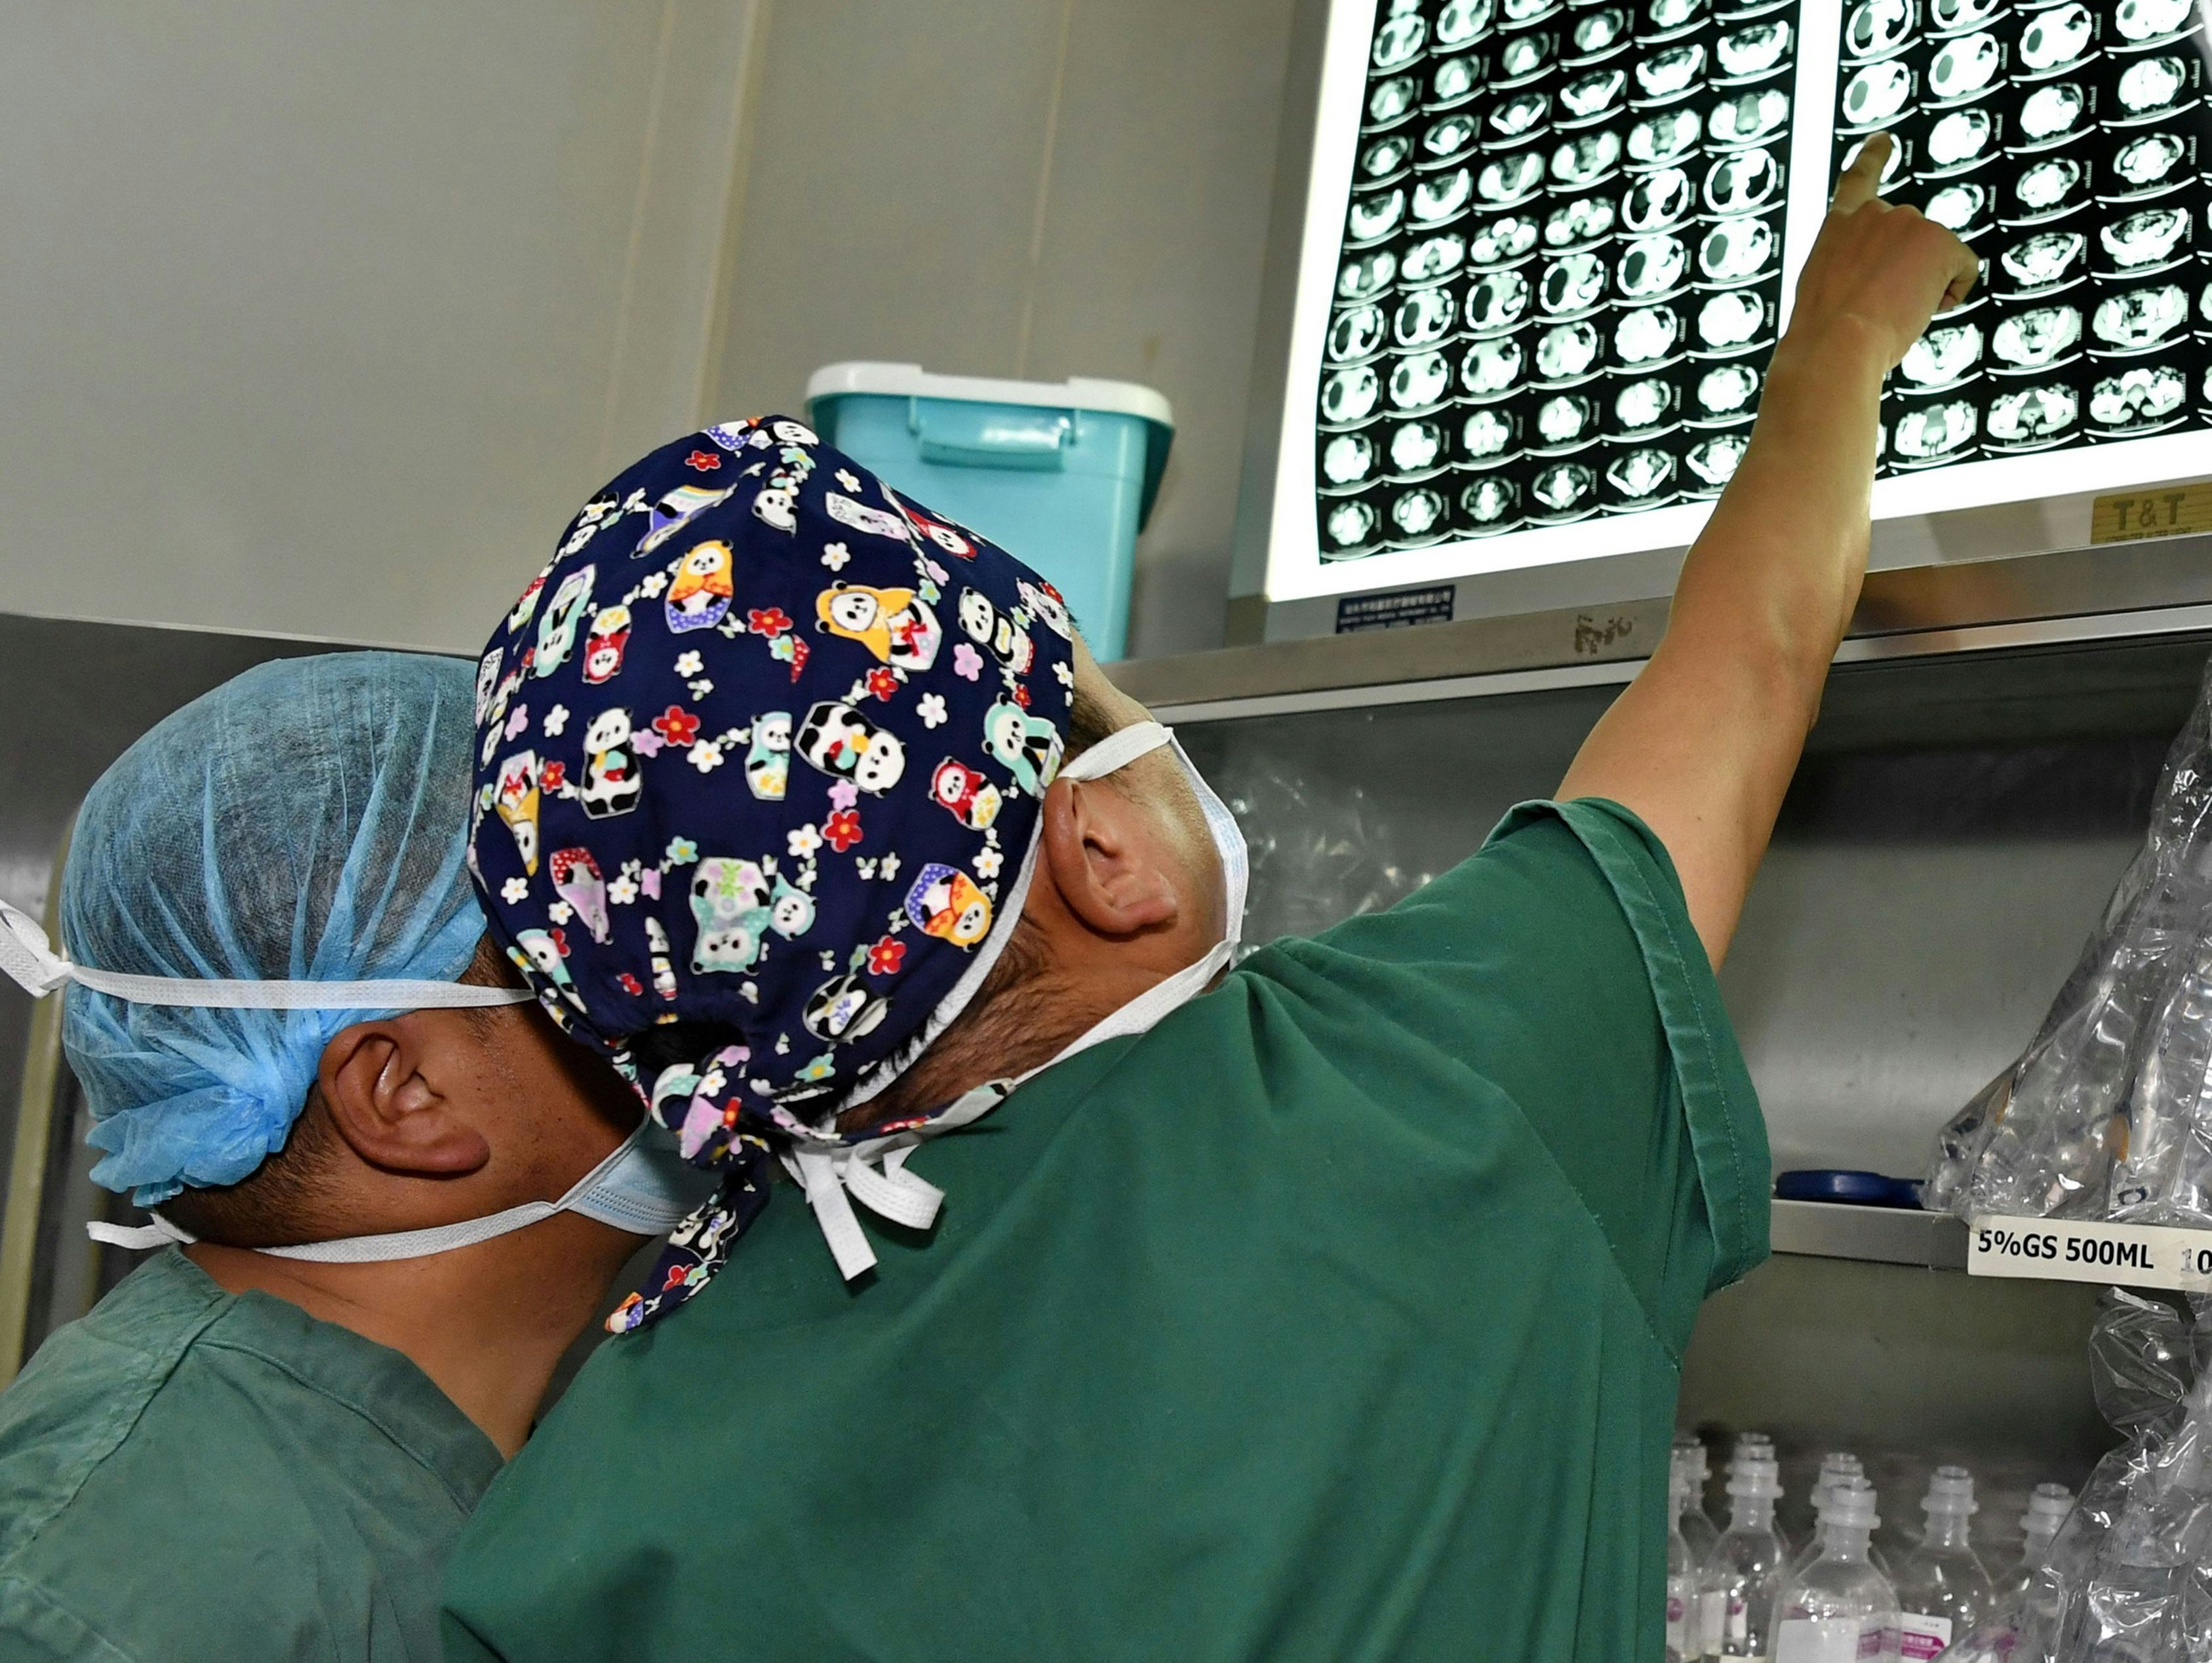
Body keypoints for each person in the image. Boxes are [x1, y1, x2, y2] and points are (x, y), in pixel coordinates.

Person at [442, 136, 1975, 1660]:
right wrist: (1844, 337)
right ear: (1105, 852)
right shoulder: (1430, 1097)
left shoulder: (590, 1495)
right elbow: (1753, 660)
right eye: (1104, 700)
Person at [0, 652, 712, 1662]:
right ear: (405, 1094)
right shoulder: (108, 1590)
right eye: (602, 943)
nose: (709, 976)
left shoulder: (449, 1462)